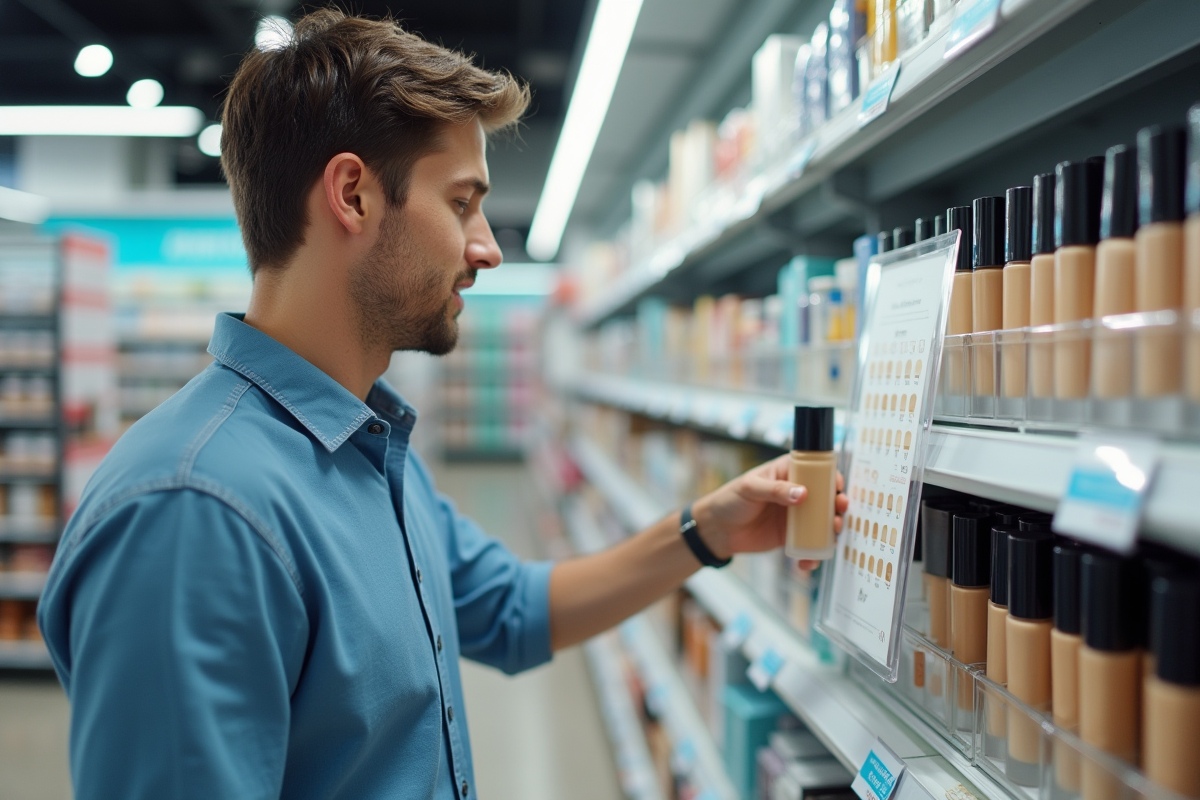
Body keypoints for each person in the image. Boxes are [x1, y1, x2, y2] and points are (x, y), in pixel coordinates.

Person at [38, 9, 847, 799]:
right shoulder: (193, 513)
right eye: (462, 202)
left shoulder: (367, 446)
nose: (489, 246)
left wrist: (708, 530)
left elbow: (512, 610)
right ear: (352, 195)